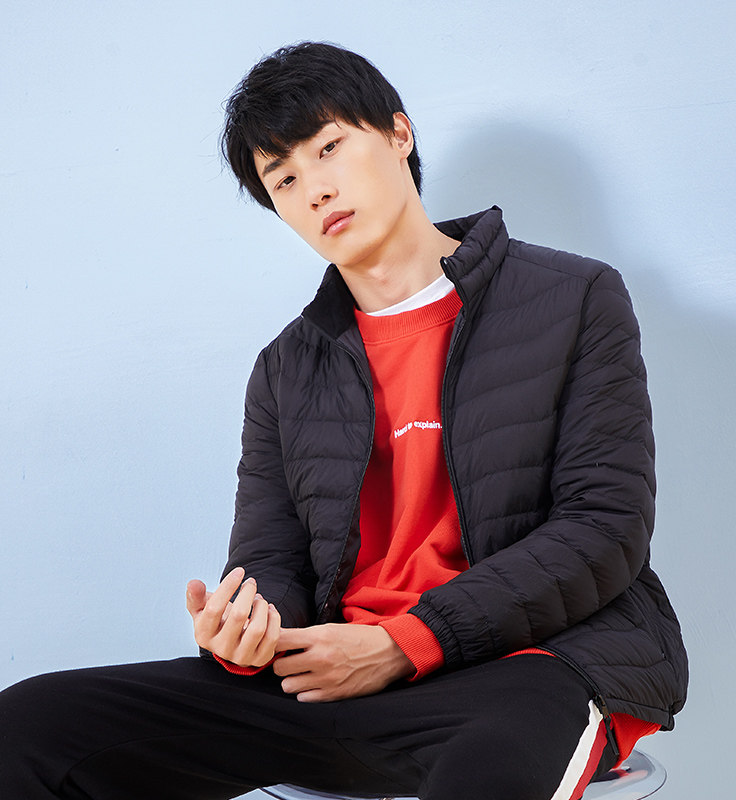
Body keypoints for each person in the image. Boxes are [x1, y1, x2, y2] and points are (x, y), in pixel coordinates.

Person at [0, 41, 688, 800]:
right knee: (27, 725)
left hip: (522, 670)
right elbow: (271, 558)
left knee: (494, 763)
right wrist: (247, 627)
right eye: (284, 178)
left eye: (329, 148)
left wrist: (403, 643)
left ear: (399, 133)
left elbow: (604, 527)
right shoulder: (286, 368)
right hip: (329, 681)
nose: (316, 190)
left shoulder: (573, 296)